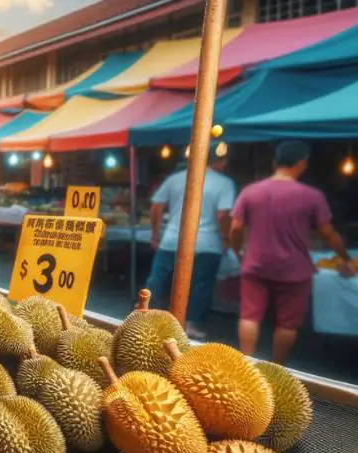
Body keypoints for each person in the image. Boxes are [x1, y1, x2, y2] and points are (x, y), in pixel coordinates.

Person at [231, 140, 353, 364]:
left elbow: (236, 228)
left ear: (275, 162)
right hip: (294, 269)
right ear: (302, 164)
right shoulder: (311, 196)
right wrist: (346, 257)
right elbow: (328, 233)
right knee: (287, 323)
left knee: (249, 316)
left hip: (255, 263)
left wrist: (238, 251)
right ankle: (279, 369)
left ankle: (244, 366)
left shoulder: (251, 191)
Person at [146, 149, 236, 340]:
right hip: (207, 243)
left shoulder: (175, 179)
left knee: (158, 280)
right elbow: (223, 215)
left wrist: (155, 233)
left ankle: (142, 315)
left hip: (172, 240)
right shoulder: (225, 183)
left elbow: (156, 207)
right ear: (219, 162)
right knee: (200, 285)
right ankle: (191, 325)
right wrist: (225, 238)